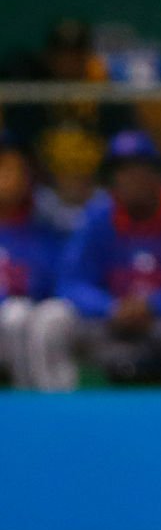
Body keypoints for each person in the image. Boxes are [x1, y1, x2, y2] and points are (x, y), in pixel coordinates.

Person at [28, 131, 161, 389]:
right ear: (112, 179)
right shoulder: (97, 217)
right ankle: (53, 404)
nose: (133, 179)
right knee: (51, 317)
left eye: (141, 169)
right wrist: (110, 307)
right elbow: (71, 282)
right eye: (124, 171)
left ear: (158, 175)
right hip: (108, 324)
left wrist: (153, 304)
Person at [0, 143, 59, 387]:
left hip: (23, 322)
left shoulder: (44, 231)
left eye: (12, 170)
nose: (5, 178)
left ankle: (35, 402)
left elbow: (52, 284)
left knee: (21, 313)